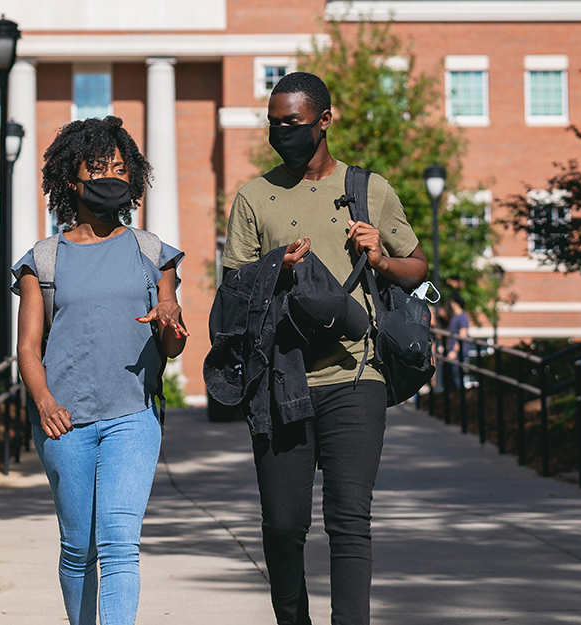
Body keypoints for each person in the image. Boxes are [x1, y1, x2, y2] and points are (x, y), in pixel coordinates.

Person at [220, 72, 428, 625]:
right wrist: (275, 267)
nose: (282, 133)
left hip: (355, 375)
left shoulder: (369, 189)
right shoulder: (252, 197)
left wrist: (381, 259)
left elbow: (417, 267)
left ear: (324, 121)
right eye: (274, 124)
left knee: (349, 518)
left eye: (293, 123)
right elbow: (232, 295)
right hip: (280, 380)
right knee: (283, 526)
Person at [12, 116, 188, 625]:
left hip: (133, 417)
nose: (110, 178)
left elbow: (171, 342)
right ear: (73, 178)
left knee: (118, 544)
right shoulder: (42, 262)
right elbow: (27, 347)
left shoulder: (153, 254)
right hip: (63, 420)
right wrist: (45, 403)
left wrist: (171, 326)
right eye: (98, 168)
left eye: (119, 168)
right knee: (77, 548)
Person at [446, 293, 471, 390]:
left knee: (457, 377)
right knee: (452, 377)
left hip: (459, 352)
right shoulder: (454, 317)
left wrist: (454, 351)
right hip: (453, 351)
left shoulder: (462, 317)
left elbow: (463, 335)